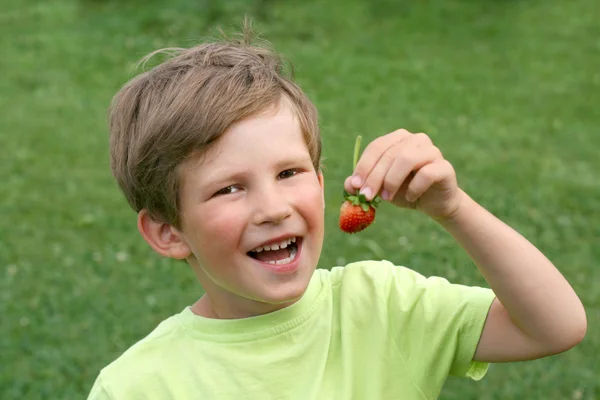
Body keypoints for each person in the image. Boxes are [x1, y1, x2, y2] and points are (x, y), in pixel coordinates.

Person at [88, 21, 586, 400]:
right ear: (168, 232)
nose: (273, 208)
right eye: (230, 189)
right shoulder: (139, 385)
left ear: (321, 182)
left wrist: (454, 209)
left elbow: (554, 327)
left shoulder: (381, 306)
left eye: (289, 174)